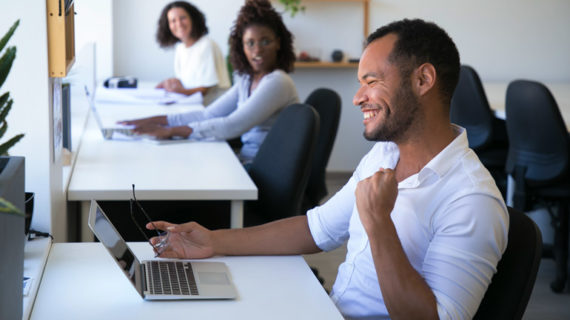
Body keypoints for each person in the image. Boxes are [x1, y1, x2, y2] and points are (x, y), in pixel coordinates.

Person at [145, 19, 509, 319]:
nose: (357, 97)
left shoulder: (471, 199)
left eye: (371, 81)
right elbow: (316, 228)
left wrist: (378, 223)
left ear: (423, 80)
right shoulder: (384, 155)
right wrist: (215, 241)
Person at [122, 0, 298, 164]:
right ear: (241, 47)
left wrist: (170, 131)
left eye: (265, 41)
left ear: (278, 43)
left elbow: (232, 125)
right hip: (246, 159)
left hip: (263, 168)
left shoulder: (278, 82)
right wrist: (155, 121)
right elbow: (208, 115)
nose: (257, 50)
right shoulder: (247, 80)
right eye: (250, 43)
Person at [155, 1, 230, 105]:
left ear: (193, 19)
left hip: (212, 107)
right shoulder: (180, 48)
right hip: (191, 104)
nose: (179, 24)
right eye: (173, 21)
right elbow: (186, 81)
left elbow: (205, 89)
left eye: (182, 18)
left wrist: (179, 92)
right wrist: (169, 83)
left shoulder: (206, 45)